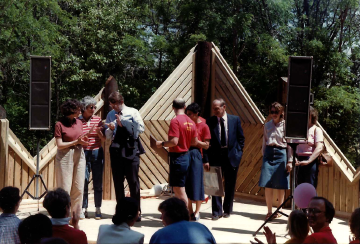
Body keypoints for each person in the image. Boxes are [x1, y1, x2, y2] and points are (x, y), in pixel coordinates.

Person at [105, 91, 145, 221]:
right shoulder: (111, 115)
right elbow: (107, 137)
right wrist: (110, 129)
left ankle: (136, 211)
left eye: (114, 105)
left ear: (121, 102)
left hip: (131, 149)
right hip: (116, 149)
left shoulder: (133, 112)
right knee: (118, 182)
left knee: (133, 182)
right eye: (111, 105)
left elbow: (141, 129)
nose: (113, 108)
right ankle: (121, 211)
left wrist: (125, 124)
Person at [203, 98, 245, 220]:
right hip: (215, 156)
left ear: (224, 107)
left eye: (217, 108)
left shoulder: (234, 120)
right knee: (215, 184)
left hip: (231, 155)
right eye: (213, 109)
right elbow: (206, 141)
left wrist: (239, 152)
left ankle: (227, 210)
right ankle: (216, 212)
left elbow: (241, 138)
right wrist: (206, 159)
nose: (214, 111)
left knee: (230, 184)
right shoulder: (209, 121)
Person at [156, 98, 198, 206]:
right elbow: (194, 142)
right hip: (186, 157)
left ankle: (186, 215)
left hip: (178, 158)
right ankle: (181, 214)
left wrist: (162, 144)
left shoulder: (175, 121)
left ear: (173, 108)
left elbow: (174, 142)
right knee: (177, 188)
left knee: (179, 189)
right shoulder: (192, 122)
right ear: (184, 107)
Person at [55, 99, 88, 219]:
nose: (80, 111)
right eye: (78, 109)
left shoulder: (79, 122)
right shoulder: (59, 124)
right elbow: (59, 145)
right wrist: (76, 141)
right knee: (65, 187)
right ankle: (63, 215)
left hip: (79, 153)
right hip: (65, 155)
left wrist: (83, 141)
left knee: (78, 186)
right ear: (71, 110)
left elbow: (80, 138)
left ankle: (76, 214)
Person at [258, 102, 292, 220]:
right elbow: (264, 141)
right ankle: (269, 211)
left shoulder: (286, 126)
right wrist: (264, 156)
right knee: (267, 183)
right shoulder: (267, 125)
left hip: (281, 153)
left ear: (281, 112)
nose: (273, 114)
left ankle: (279, 209)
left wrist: (290, 161)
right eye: (272, 112)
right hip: (269, 153)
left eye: (276, 112)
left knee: (280, 184)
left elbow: (290, 145)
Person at [79, 96, 105, 219]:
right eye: (91, 107)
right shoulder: (77, 121)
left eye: (94, 107)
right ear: (84, 108)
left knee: (98, 182)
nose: (94, 109)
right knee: (84, 181)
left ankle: (98, 208)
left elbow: (104, 139)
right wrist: (88, 133)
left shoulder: (98, 120)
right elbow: (76, 137)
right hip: (83, 153)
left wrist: (99, 132)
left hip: (97, 152)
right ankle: (84, 208)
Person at [185, 102, 211, 221]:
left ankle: (197, 211)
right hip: (186, 153)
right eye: (187, 114)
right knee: (187, 183)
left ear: (196, 114)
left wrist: (195, 142)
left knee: (197, 183)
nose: (188, 116)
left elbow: (206, 145)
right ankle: (189, 210)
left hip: (196, 154)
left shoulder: (204, 126)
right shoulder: (187, 125)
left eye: (190, 114)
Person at [149, 197, 216, 244]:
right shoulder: (202, 228)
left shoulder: (159, 235)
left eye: (162, 213)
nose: (161, 218)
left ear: (169, 214)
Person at [294, 106, 324, 188]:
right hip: (298, 161)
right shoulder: (298, 129)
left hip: (310, 161)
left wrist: (308, 161)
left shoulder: (316, 130)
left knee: (310, 188)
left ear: (312, 116)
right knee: (299, 188)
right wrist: (294, 158)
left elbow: (319, 147)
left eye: (307, 114)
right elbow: (291, 146)